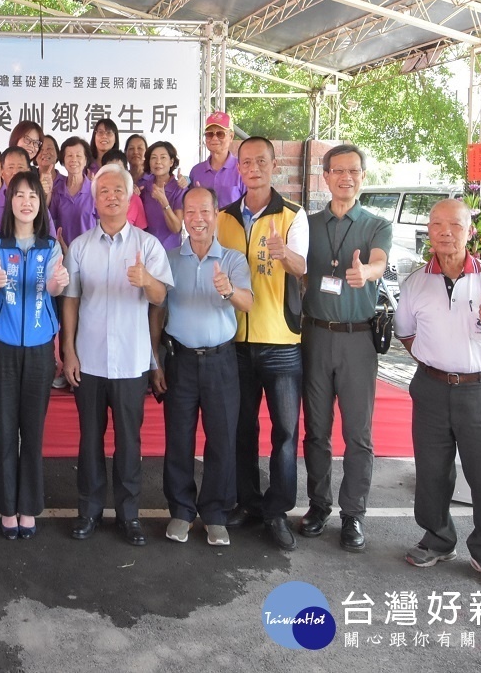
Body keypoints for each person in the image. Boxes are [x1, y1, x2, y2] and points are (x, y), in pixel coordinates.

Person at [397, 198, 481, 592]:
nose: (445, 232)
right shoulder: (415, 282)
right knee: (432, 471)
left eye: (454, 225)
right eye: (436, 225)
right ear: (428, 231)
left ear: (470, 231)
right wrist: (435, 360)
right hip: (431, 387)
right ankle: (437, 539)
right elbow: (406, 333)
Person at [62, 163, 172, 546]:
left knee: (129, 441)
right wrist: (68, 352)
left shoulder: (148, 246)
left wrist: (147, 281)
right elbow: (71, 302)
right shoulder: (79, 247)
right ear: (94, 200)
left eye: (117, 191)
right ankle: (88, 511)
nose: (110, 196)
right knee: (89, 440)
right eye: (103, 191)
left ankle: (130, 516)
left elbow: (160, 298)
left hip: (130, 360)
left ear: (130, 197)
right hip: (89, 360)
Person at [216, 137, 308, 551]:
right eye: (246, 162)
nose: (253, 168)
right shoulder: (224, 218)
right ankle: (248, 503)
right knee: (242, 428)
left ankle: (277, 511)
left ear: (273, 167)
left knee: (285, 433)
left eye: (261, 161)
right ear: (239, 168)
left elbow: (303, 268)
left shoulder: (292, 215)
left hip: (282, 342)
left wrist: (284, 254)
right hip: (235, 341)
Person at [299, 144, 392, 552]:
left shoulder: (376, 223)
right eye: (337, 171)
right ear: (326, 177)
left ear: (363, 176)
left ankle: (353, 514)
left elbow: (379, 262)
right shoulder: (308, 224)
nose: (346, 177)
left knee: (359, 434)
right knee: (316, 431)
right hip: (315, 336)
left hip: (357, 341)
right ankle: (319, 505)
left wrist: (367, 273)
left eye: (353, 171)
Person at [154, 187, 252, 548]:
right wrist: (156, 361)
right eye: (190, 212)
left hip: (221, 361)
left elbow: (249, 303)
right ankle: (181, 510)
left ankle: (215, 513)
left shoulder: (232, 259)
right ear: (183, 215)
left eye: (204, 212)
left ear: (215, 215)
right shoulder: (168, 258)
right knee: (179, 439)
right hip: (180, 360)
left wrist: (228, 291)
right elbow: (158, 310)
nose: (197, 219)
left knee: (222, 439)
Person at [0, 171, 68, 539]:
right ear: (10, 201)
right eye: (19, 195)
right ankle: (7, 507)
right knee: (5, 429)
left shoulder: (52, 247)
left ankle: (29, 505)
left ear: (40, 203)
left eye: (33, 195)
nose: (26, 201)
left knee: (32, 430)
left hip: (39, 349)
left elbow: (53, 285)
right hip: (1, 345)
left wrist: (54, 286)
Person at [190, 111, 244, 208]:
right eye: (209, 134)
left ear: (231, 136)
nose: (214, 138)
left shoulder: (242, 169)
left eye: (220, 134)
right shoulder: (196, 171)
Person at [51, 136, 95, 248]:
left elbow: (102, 226)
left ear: (86, 160)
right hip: (62, 254)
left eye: (79, 155)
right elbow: (53, 225)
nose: (74, 159)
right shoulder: (57, 191)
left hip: (90, 254)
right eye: (69, 155)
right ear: (63, 160)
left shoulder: (95, 191)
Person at [141, 141, 184, 251]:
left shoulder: (179, 188)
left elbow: (176, 228)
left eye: (163, 157)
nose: (158, 162)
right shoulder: (144, 186)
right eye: (153, 158)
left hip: (171, 252)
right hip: (147, 251)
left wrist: (164, 203)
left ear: (171, 162)